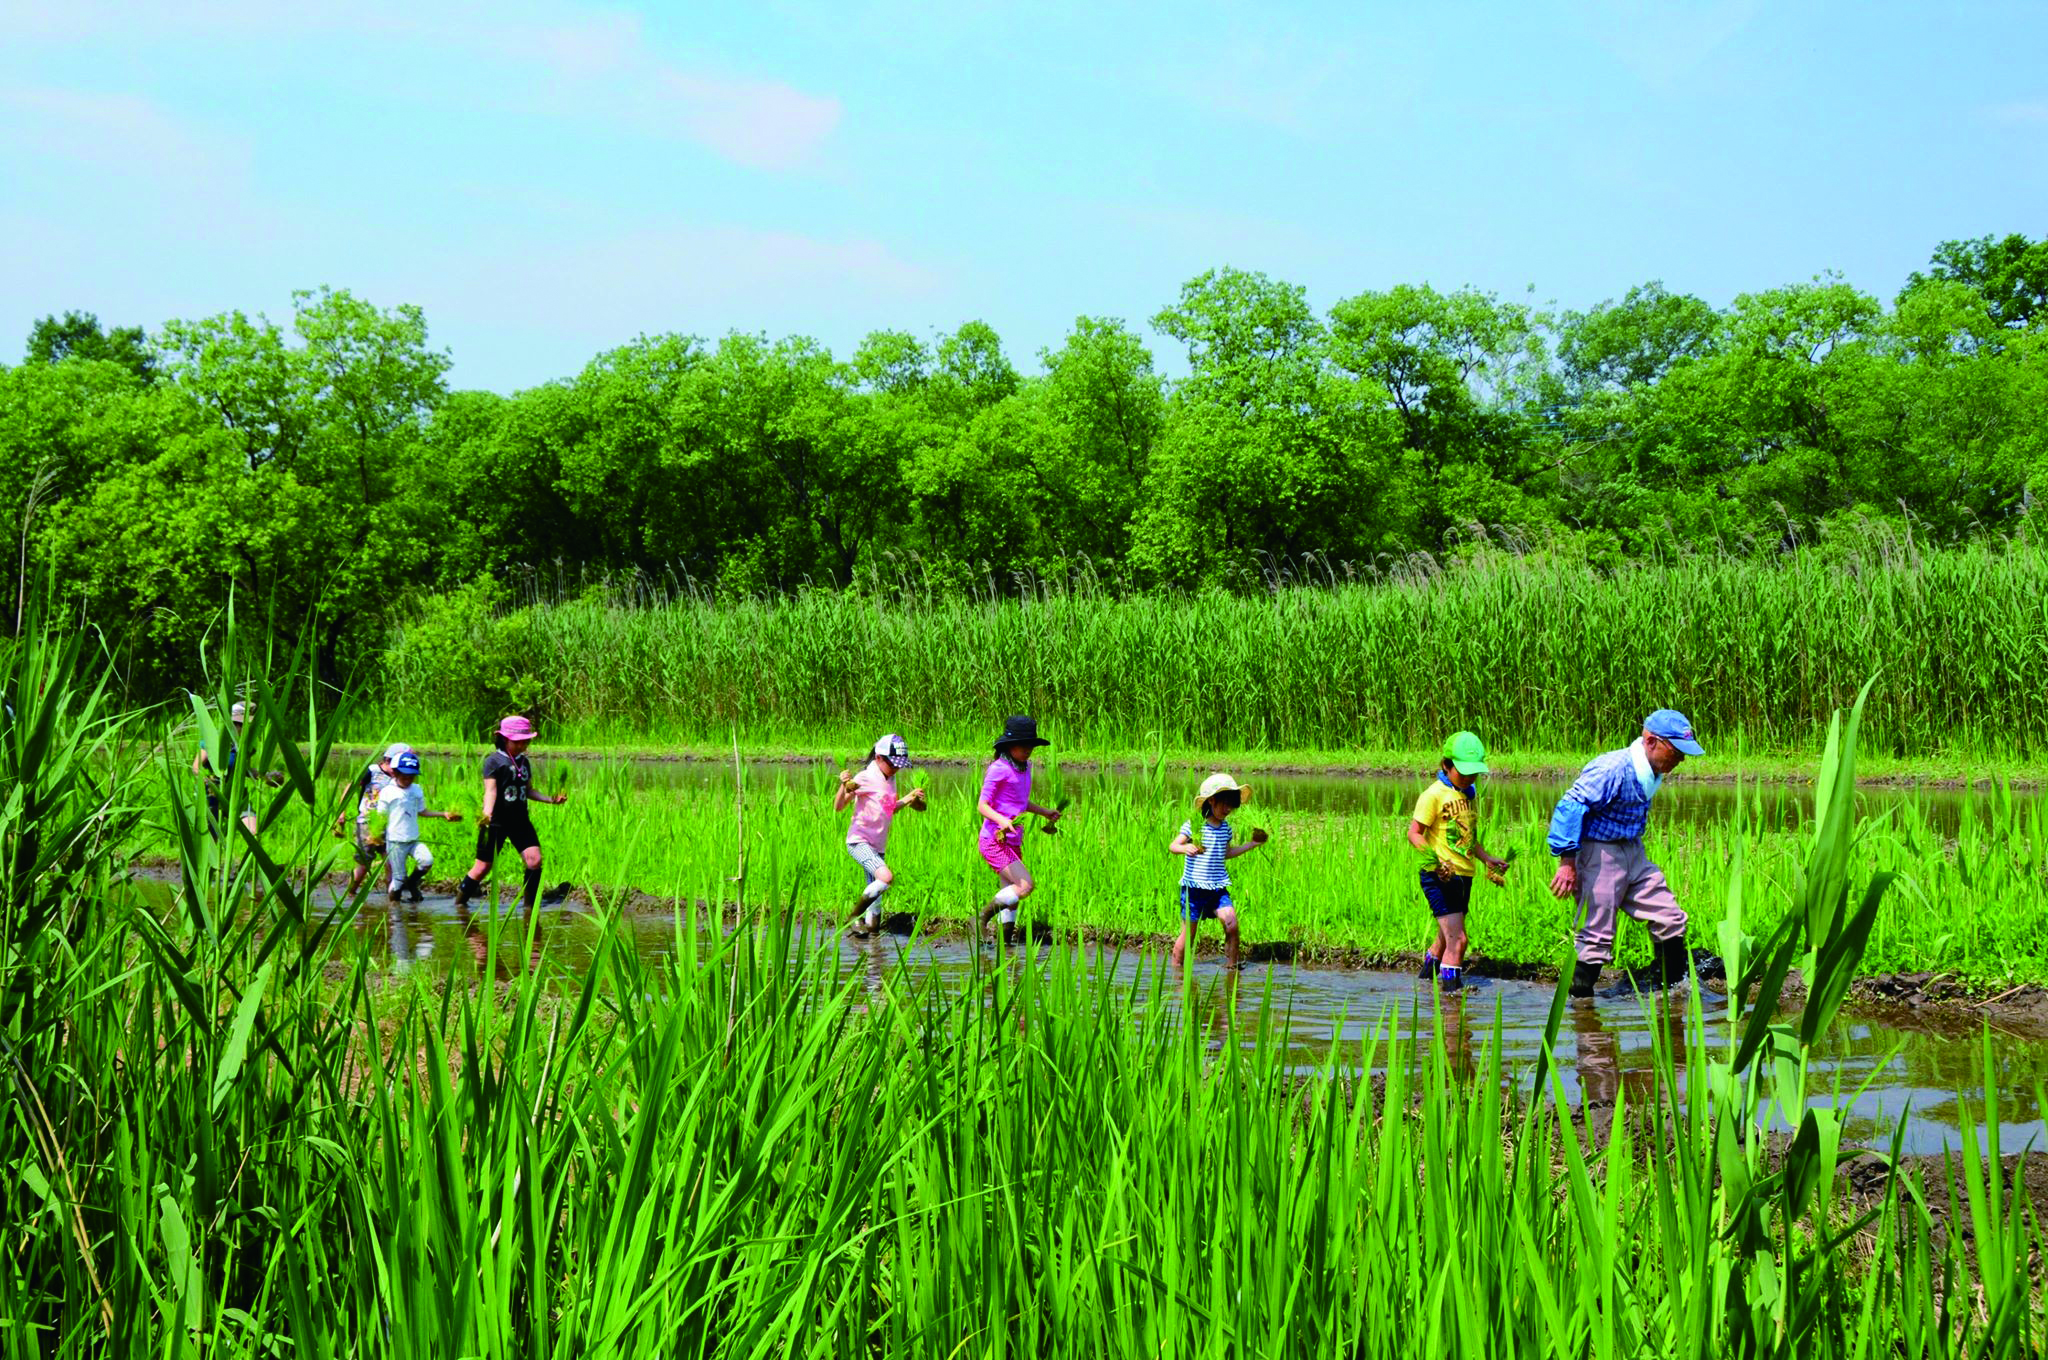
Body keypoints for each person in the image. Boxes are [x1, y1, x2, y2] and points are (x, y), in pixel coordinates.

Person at [1547, 709, 1703, 998]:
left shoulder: (1651, 769)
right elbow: (1570, 805)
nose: (1680, 760)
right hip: (1599, 853)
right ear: (1652, 741)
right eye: (1676, 751)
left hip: (1632, 851)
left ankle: (1673, 993)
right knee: (1596, 932)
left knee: (1669, 916)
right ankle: (1580, 1006)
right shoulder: (1613, 768)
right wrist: (1567, 862)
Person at [1409, 731, 1510, 993]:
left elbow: (1467, 838)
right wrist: (1436, 859)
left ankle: (1423, 989)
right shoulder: (1433, 795)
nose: (1468, 778)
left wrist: (1487, 858)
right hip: (1439, 876)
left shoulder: (1468, 795)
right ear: (1446, 765)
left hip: (1464, 875)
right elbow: (1414, 834)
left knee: (1443, 941)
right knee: (1458, 941)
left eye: (1473, 773)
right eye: (1462, 773)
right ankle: (1452, 1001)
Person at [452, 715, 568, 914]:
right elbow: (491, 791)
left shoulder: (524, 762)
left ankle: (530, 908)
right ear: (505, 739)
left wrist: (550, 799)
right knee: (482, 867)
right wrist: (486, 814)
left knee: (535, 860)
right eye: (518, 741)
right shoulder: (494, 761)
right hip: (496, 822)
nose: (523, 745)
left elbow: (529, 790)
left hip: (520, 821)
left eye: (526, 741)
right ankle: (460, 904)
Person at [972, 715, 1063, 938]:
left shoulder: (1026, 767)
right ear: (1009, 745)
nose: (1028, 750)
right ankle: (980, 919)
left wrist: (1044, 811)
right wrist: (1002, 820)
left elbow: (1020, 803)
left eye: (1030, 745)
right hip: (994, 840)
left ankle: (1005, 941)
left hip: (1012, 840)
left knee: (1010, 896)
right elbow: (982, 806)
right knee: (1024, 886)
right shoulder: (998, 768)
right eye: (1023, 745)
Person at [1168, 772, 1267, 971]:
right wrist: (1185, 848)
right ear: (1211, 801)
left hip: (1217, 888)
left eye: (1232, 804)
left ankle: (1232, 969)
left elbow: (1227, 852)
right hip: (1194, 889)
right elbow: (1173, 845)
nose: (1228, 809)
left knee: (1231, 924)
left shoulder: (1225, 828)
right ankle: (1177, 971)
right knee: (1189, 935)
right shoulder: (1195, 825)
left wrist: (1252, 844)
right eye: (1224, 803)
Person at [832, 733, 928, 937]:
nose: (897, 768)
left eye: (899, 764)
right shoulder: (865, 777)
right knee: (885, 877)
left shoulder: (890, 778)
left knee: (875, 904)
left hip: (878, 846)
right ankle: (852, 918)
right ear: (878, 758)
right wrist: (843, 785)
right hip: (859, 842)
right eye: (893, 764)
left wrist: (909, 799)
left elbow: (889, 808)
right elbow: (839, 806)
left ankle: (870, 939)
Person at [369, 751, 463, 904]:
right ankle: (394, 907)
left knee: (427, 861)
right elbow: (380, 817)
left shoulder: (416, 790)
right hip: (396, 842)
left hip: (412, 839)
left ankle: (412, 883)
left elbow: (422, 811)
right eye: (404, 776)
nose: (408, 780)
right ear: (395, 773)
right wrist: (375, 835)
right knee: (398, 878)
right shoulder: (387, 792)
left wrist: (443, 814)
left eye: (411, 777)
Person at [337, 742, 410, 894]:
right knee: (364, 863)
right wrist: (341, 812)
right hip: (367, 824)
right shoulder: (372, 771)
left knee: (391, 861)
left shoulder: (399, 777)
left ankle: (392, 897)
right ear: (388, 760)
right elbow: (351, 787)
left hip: (390, 825)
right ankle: (350, 892)